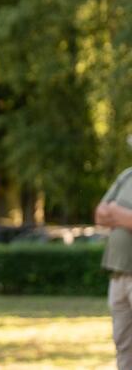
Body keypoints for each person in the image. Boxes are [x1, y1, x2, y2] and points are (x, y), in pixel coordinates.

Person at [95, 135, 132, 370]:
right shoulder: (127, 176)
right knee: (123, 343)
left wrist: (118, 215)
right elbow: (100, 214)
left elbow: (111, 213)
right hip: (118, 273)